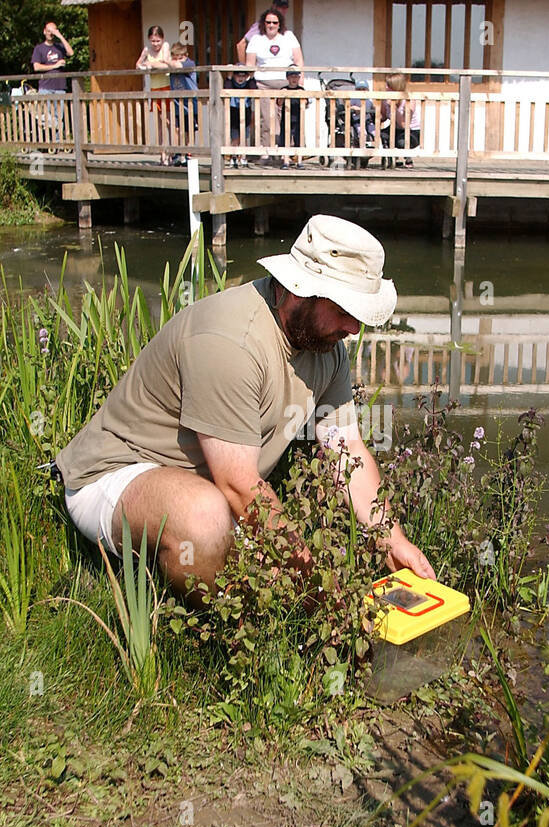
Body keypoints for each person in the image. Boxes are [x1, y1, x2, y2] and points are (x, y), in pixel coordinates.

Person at [54, 214, 435, 599]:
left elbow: (346, 451)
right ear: (303, 289)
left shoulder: (327, 348)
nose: (353, 328)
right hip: (117, 473)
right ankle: (211, 640)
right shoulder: (231, 341)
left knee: (221, 516)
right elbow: (239, 486)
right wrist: (314, 585)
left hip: (211, 482)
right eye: (344, 311)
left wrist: (393, 539)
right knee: (203, 519)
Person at [245, 8, 303, 165]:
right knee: (267, 120)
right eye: (268, 22)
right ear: (264, 23)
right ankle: (267, 153)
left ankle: (286, 154)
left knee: (287, 120)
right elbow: (249, 65)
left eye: (275, 22)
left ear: (280, 24)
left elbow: (298, 61)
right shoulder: (257, 39)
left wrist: (300, 84)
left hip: (287, 85)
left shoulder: (289, 37)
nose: (271, 25)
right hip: (263, 84)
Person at [136, 26, 175, 165]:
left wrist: (151, 64)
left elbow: (165, 64)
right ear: (149, 40)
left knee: (169, 122)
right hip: (154, 88)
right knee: (159, 124)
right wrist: (145, 66)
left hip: (166, 86)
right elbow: (138, 64)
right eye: (153, 41)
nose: (155, 44)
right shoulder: (147, 50)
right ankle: (162, 154)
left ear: (162, 39)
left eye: (158, 40)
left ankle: (171, 152)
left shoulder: (165, 46)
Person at [32, 22, 73, 139]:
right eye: (49, 31)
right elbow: (36, 67)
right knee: (45, 116)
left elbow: (71, 53)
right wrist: (55, 66)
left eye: (53, 31)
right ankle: (46, 141)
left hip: (60, 87)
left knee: (59, 116)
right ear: (44, 31)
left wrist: (60, 36)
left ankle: (58, 141)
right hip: (45, 87)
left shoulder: (59, 46)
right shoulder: (39, 48)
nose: (51, 33)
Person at [380, 72, 420, 168]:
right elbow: (383, 117)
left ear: (395, 87)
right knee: (383, 134)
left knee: (401, 141)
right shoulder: (387, 99)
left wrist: (393, 107)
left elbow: (404, 124)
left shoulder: (409, 100)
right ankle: (392, 158)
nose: (386, 87)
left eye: (388, 85)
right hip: (395, 128)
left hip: (411, 131)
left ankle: (408, 158)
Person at [168, 43, 198, 165]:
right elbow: (157, 66)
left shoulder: (189, 63)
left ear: (186, 56)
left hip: (191, 104)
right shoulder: (171, 64)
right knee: (177, 129)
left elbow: (177, 65)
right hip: (177, 104)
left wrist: (166, 60)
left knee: (189, 130)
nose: (177, 60)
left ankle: (188, 153)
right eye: (175, 57)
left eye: (180, 57)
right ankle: (178, 153)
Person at [225, 67, 257, 168]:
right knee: (235, 137)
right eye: (238, 75)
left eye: (243, 75)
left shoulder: (248, 84)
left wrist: (251, 78)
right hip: (234, 113)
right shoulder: (231, 84)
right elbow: (227, 88)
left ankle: (243, 157)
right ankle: (233, 157)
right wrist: (229, 77)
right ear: (234, 76)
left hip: (246, 114)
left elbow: (254, 89)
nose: (240, 78)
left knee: (244, 137)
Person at [280, 68, 305, 166]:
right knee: (285, 139)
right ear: (287, 78)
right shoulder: (283, 89)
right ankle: (286, 161)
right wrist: (283, 94)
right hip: (286, 118)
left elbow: (306, 103)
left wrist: (302, 97)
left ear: (299, 78)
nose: (294, 79)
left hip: (298, 118)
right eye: (291, 76)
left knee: (298, 139)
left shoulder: (301, 90)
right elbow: (279, 103)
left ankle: (299, 161)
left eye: (296, 77)